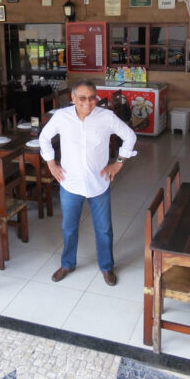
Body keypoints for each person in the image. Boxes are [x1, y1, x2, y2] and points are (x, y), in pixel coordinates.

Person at [38, 78, 137, 285]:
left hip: (98, 182)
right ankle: (67, 264)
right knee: (69, 227)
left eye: (92, 98)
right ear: (73, 98)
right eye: (82, 98)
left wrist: (118, 163)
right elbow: (44, 138)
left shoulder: (106, 117)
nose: (88, 102)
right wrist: (52, 165)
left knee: (104, 229)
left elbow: (130, 136)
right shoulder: (62, 117)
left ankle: (107, 267)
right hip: (70, 183)